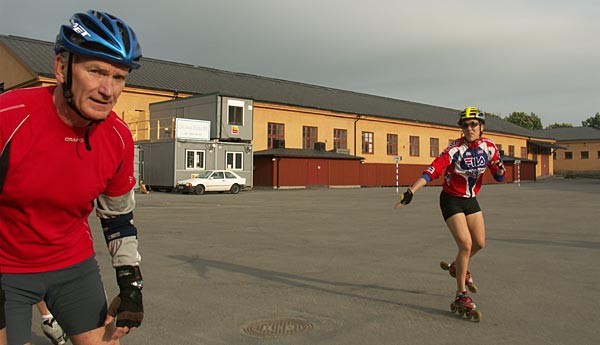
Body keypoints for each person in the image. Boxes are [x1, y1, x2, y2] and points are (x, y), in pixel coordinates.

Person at [0, 10, 144, 344]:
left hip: (72, 265)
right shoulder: (9, 119)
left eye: (119, 77)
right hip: (7, 268)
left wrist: (130, 283)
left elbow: (119, 218)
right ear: (62, 68)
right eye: (96, 71)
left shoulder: (119, 138)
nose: (108, 90)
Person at [394, 107, 505, 318]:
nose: (469, 128)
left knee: (480, 243)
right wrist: (411, 191)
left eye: (473, 124)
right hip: (451, 199)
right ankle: (460, 294)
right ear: (461, 128)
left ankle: (457, 266)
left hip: (470, 199)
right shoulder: (455, 148)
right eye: (465, 125)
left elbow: (498, 175)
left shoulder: (489, 147)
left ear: (481, 127)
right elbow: (433, 170)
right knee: (465, 245)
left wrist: (500, 168)